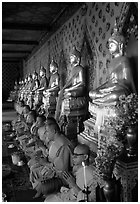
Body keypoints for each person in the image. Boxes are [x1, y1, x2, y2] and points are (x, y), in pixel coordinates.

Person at [89, 22, 136, 105]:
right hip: (109, 90)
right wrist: (101, 89)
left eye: (112, 44)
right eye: (109, 45)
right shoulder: (110, 63)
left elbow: (127, 82)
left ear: (120, 45)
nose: (109, 47)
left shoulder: (124, 60)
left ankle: (100, 101)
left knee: (116, 96)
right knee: (92, 93)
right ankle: (102, 101)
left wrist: (113, 87)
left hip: (119, 90)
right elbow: (108, 81)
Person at [30, 120, 74, 198]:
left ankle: (42, 191)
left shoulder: (63, 145)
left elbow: (62, 170)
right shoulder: (56, 141)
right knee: (34, 171)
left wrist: (45, 163)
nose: (46, 134)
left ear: (54, 131)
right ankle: (40, 190)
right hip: (51, 168)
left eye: (47, 132)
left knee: (42, 184)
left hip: (61, 177)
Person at [55, 46, 85, 122]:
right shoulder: (73, 69)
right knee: (62, 93)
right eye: (70, 57)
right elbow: (71, 81)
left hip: (79, 89)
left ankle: (62, 115)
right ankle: (61, 114)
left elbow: (82, 82)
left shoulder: (80, 68)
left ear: (77, 59)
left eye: (72, 57)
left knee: (67, 94)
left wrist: (69, 89)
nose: (70, 59)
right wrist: (64, 89)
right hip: (73, 88)